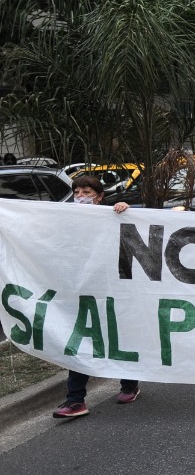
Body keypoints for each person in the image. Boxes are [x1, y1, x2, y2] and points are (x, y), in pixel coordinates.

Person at [52, 175, 140, 419]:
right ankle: (75, 400)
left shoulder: (114, 215)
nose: (80, 196)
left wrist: (127, 211)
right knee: (79, 339)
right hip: (83, 289)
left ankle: (130, 384)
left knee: (119, 335)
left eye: (87, 192)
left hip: (114, 288)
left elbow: (139, 227)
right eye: (77, 191)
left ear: (99, 196)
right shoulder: (67, 219)